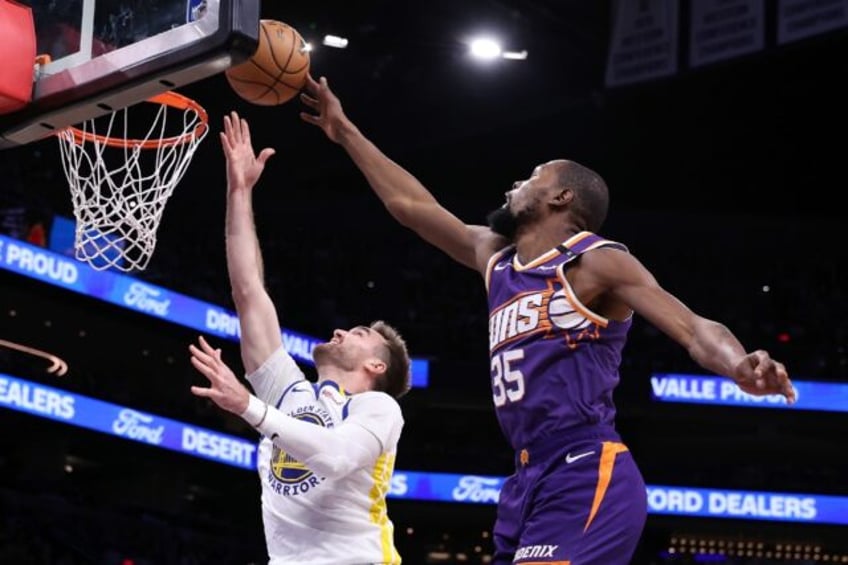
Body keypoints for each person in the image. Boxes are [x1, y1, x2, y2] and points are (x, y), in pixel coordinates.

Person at [299, 76, 796, 565]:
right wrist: (345, 131)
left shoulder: (595, 261)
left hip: (584, 466)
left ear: (562, 199)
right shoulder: (495, 257)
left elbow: (692, 327)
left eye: (533, 177)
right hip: (524, 478)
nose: (516, 184)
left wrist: (738, 366)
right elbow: (410, 207)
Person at [188, 111, 411, 565]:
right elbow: (248, 290)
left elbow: (334, 456)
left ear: (376, 367)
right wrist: (239, 191)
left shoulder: (377, 408)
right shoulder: (288, 391)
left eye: (360, 334)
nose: (341, 330)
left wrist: (246, 405)